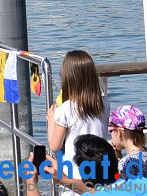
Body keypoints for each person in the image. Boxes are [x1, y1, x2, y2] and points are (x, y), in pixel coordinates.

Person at [47, 50, 110, 181]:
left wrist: (51, 122)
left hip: (75, 173)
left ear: (68, 78)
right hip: (101, 169)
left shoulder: (65, 109)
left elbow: (55, 146)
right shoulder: (104, 103)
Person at [39, 135, 147, 194]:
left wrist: (30, 181)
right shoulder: (145, 185)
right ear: (116, 162)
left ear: (84, 177)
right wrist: (63, 179)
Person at [108, 104, 147, 182]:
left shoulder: (125, 163)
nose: (111, 134)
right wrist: (118, 155)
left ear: (119, 132)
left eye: (111, 130)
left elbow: (118, 185)